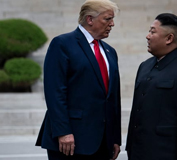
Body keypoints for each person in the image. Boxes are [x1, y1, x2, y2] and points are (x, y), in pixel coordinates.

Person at [36, 0, 121, 160]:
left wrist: (115, 138)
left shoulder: (110, 52)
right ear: (90, 19)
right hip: (70, 140)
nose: (112, 24)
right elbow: (55, 92)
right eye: (108, 19)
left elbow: (113, 98)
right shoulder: (62, 44)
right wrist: (63, 131)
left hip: (103, 142)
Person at [126, 13, 177, 160]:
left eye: (152, 31)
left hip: (170, 151)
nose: (147, 36)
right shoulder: (145, 66)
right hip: (140, 149)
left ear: (169, 38)